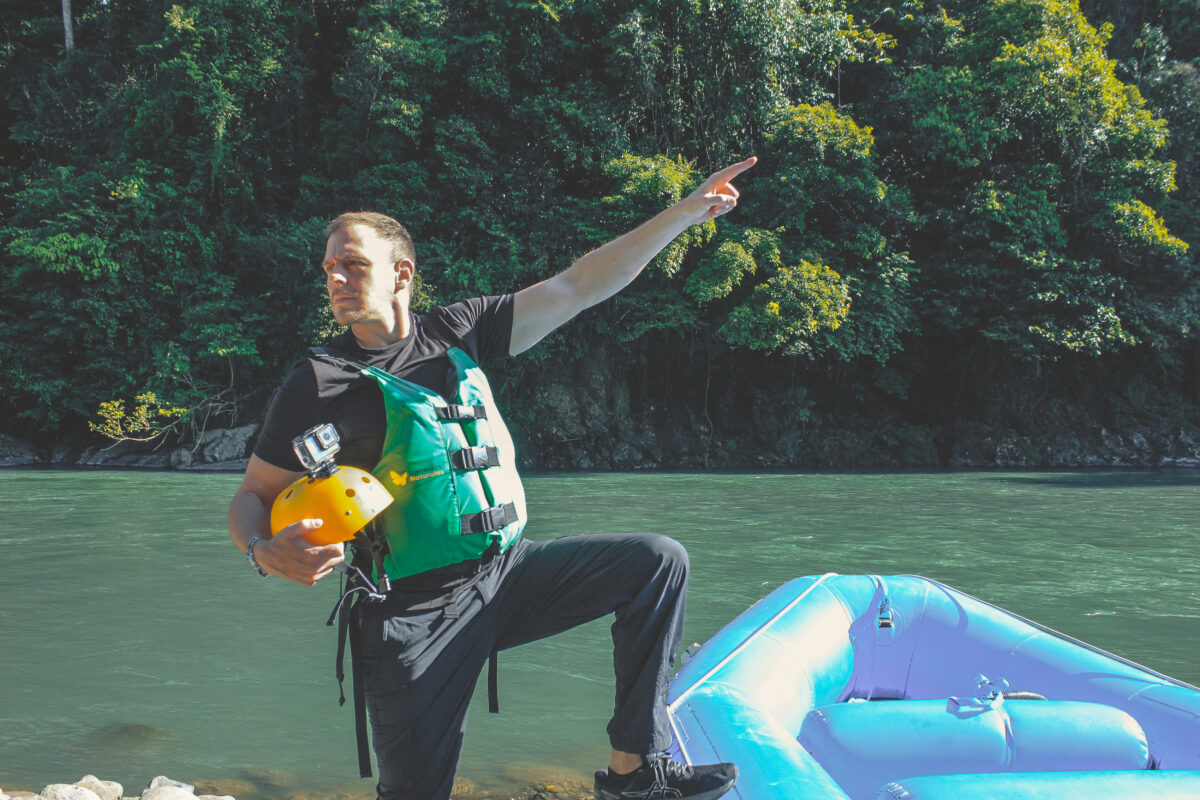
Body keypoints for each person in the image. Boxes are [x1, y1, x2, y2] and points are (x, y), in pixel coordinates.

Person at [227, 156, 756, 800]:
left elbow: (579, 286)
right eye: (330, 269)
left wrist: (682, 214)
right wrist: (263, 551)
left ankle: (635, 774)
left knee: (655, 562)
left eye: (354, 265)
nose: (337, 278)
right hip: (410, 611)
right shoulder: (317, 382)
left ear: (402, 273)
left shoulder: (460, 331)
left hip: (506, 575)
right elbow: (251, 498)